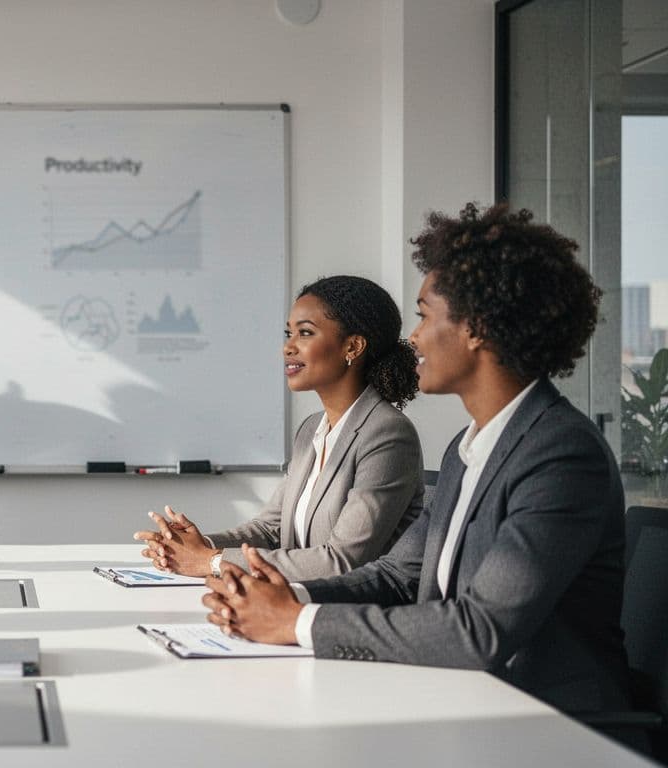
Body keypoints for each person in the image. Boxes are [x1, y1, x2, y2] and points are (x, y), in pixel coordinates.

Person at [203, 203, 634, 718]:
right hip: (458, 699)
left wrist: (297, 623)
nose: (413, 337)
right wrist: (285, 595)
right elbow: (395, 576)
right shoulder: (466, 449)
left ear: (476, 327)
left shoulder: (560, 455)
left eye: (426, 315)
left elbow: (480, 630)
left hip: (549, 723)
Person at [134, 275, 424, 581]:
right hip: (296, 598)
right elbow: (271, 530)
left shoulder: (388, 435)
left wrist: (211, 561)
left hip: (349, 606)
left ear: (352, 346)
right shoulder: (312, 430)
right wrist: (195, 547)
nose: (288, 347)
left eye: (305, 333)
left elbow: (342, 561)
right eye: (289, 333)